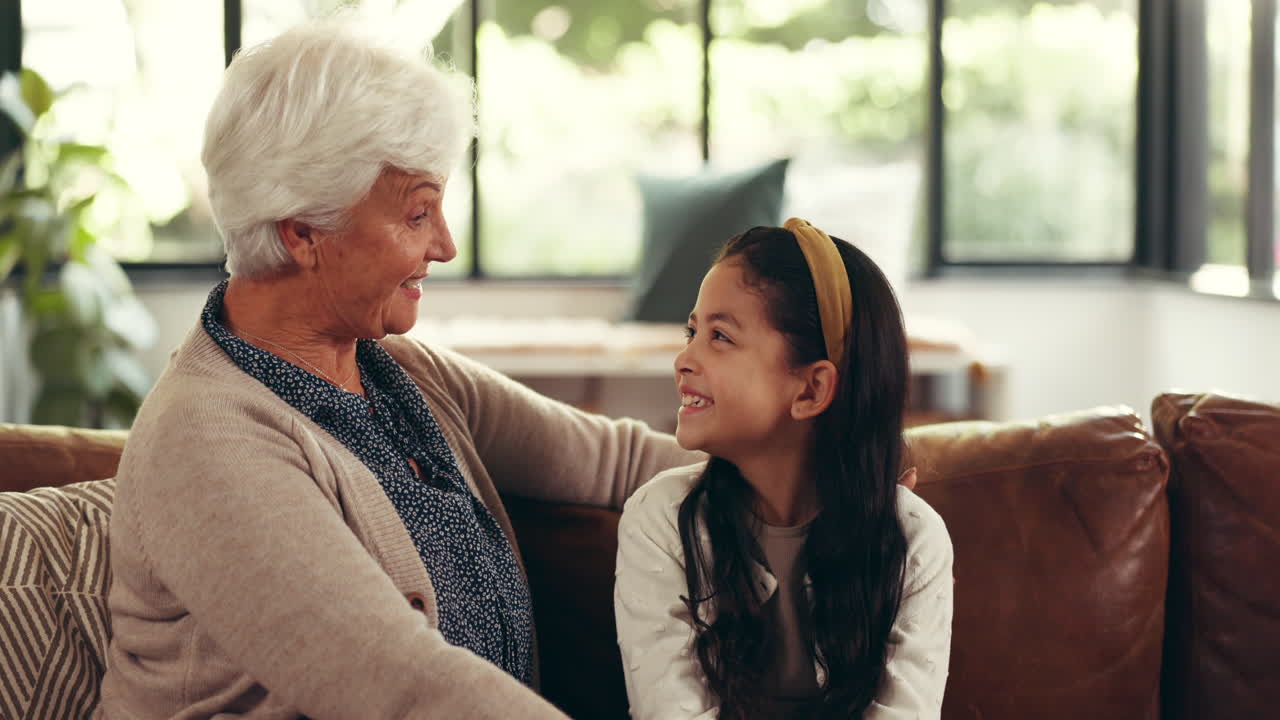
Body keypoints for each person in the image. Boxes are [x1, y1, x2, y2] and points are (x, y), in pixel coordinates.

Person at [94, 19, 699, 720]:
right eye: (417, 214)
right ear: (302, 233)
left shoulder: (398, 373)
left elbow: (618, 462)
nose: (444, 244)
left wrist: (820, 468)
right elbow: (403, 689)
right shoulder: (204, 441)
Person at [614, 219, 954, 719]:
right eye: (692, 331)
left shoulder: (914, 538)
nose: (683, 359)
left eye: (721, 336)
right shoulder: (660, 520)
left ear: (812, 390)